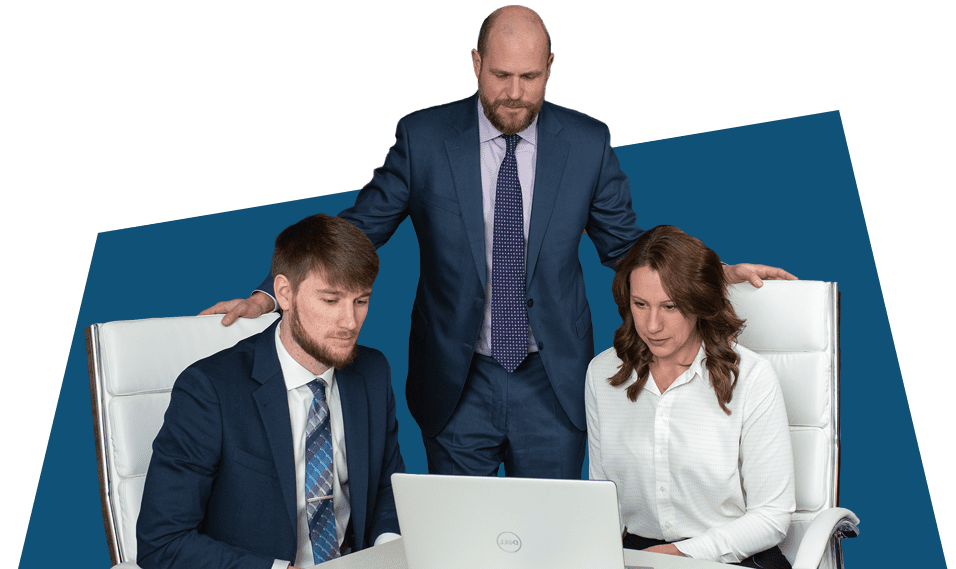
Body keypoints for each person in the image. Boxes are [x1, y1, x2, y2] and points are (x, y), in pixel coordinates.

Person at [202, 5, 795, 479]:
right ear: (476, 62)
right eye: (501, 75)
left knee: (552, 546)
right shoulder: (424, 137)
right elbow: (358, 230)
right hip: (457, 381)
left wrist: (713, 272)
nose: (514, 92)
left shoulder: (586, 143)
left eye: (530, 77)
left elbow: (627, 247)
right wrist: (268, 294)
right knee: (461, 546)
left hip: (552, 381)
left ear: (551, 67)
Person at [138, 214, 405, 569]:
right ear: (285, 293)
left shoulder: (372, 372)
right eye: (330, 300)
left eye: (361, 301)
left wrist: (391, 552)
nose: (350, 322)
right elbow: (162, 542)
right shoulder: (210, 390)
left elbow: (387, 489)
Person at [585, 225, 795, 568]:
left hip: (733, 555)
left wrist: (678, 555)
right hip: (638, 555)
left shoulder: (752, 378)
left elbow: (771, 516)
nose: (652, 325)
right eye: (640, 304)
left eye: (670, 307)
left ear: (699, 303)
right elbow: (602, 499)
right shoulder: (602, 374)